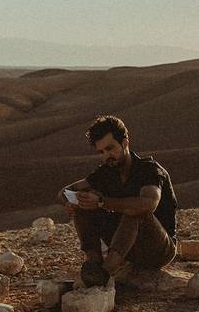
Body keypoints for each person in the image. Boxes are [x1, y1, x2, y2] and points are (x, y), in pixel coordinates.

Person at [59, 115, 178, 287]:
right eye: (101, 152)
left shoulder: (148, 169)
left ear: (125, 142)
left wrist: (101, 202)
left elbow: (149, 202)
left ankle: (105, 272)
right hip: (128, 248)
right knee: (83, 203)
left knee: (135, 210)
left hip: (158, 249)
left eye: (110, 148)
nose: (107, 156)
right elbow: (65, 191)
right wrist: (70, 203)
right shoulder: (107, 171)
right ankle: (94, 265)